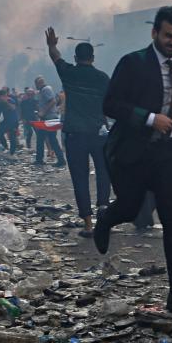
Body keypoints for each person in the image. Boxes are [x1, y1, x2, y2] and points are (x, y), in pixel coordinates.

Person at [93, 6, 172, 311]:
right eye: (168, 36)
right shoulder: (133, 63)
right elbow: (111, 103)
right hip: (135, 152)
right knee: (130, 208)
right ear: (154, 32)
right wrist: (149, 117)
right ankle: (105, 218)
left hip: (170, 153)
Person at [46, 28, 110, 237]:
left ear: (76, 58)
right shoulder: (102, 77)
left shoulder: (69, 73)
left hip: (75, 135)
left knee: (80, 178)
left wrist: (52, 45)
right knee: (103, 173)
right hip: (99, 133)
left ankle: (89, 224)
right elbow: (111, 103)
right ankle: (103, 213)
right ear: (92, 57)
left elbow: (56, 58)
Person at [33, 74, 65, 167]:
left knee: (50, 139)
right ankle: (40, 159)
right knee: (43, 138)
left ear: (38, 83)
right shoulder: (44, 90)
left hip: (49, 118)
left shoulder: (46, 89)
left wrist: (43, 112)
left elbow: (52, 101)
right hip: (47, 118)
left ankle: (60, 160)